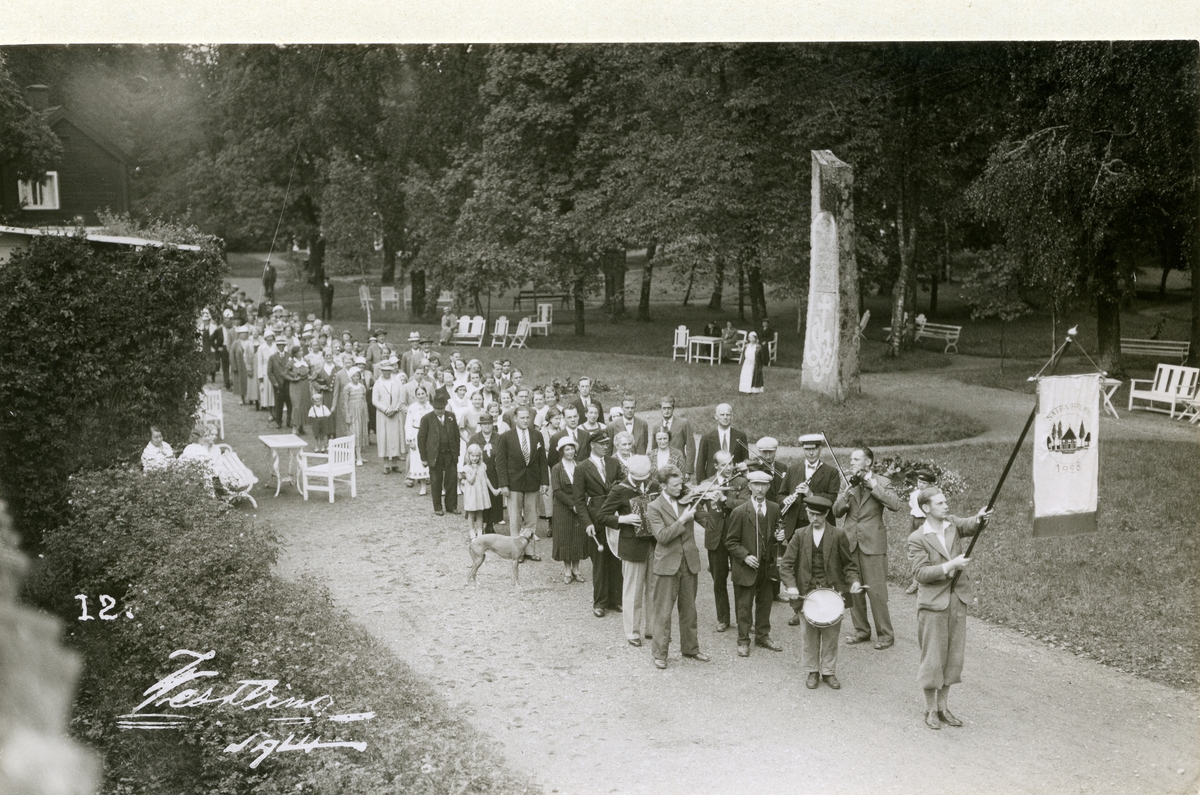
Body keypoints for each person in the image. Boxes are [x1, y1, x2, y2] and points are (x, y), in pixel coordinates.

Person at [907, 487, 992, 730]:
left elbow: (972, 525)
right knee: (933, 658)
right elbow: (920, 573)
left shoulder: (952, 524)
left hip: (957, 599)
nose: (946, 506)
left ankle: (944, 707)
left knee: (953, 657)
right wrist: (950, 565)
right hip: (933, 603)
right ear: (926, 508)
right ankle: (930, 709)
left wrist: (980, 517)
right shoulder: (917, 538)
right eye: (940, 503)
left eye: (946, 502)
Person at [780, 496, 863, 690]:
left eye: (818, 515)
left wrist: (855, 581)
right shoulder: (800, 535)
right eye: (810, 514)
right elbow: (786, 565)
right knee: (808, 635)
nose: (814, 518)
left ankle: (828, 672)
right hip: (806, 593)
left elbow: (849, 566)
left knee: (831, 635)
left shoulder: (839, 534)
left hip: (832, 593)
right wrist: (791, 586)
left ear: (826, 514)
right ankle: (812, 671)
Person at [833, 446, 904, 650]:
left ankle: (886, 634)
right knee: (854, 590)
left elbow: (895, 504)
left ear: (868, 462)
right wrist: (845, 497)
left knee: (877, 592)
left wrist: (873, 485)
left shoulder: (882, 482)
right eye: (851, 459)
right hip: (850, 542)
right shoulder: (850, 483)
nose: (852, 462)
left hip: (872, 543)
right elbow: (836, 512)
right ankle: (861, 631)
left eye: (856, 459)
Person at [645, 464, 712, 669]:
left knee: (689, 610)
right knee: (663, 612)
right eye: (675, 484)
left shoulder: (689, 499)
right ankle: (660, 654)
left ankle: (690, 649)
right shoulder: (654, 506)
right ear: (663, 485)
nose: (680, 487)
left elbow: (710, 524)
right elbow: (663, 536)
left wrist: (716, 506)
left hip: (689, 562)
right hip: (667, 564)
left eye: (681, 482)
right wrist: (683, 519)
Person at [598, 455, 660, 648]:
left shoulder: (654, 486)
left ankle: (652, 628)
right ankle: (632, 632)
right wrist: (623, 520)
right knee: (633, 590)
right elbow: (602, 516)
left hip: (654, 544)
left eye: (646, 477)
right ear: (631, 473)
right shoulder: (619, 490)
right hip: (632, 546)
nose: (644, 481)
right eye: (640, 477)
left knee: (654, 587)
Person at [781, 433, 843, 625]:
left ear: (819, 449)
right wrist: (786, 500)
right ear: (803, 450)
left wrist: (811, 494)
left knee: (818, 566)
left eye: (814, 449)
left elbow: (832, 499)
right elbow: (781, 494)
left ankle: (821, 606)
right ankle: (798, 609)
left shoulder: (831, 472)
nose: (810, 453)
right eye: (807, 449)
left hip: (820, 523)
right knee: (799, 567)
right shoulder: (793, 470)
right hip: (797, 525)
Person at [725, 469, 783, 657]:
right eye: (756, 485)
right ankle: (743, 640)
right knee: (744, 605)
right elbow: (731, 542)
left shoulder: (774, 508)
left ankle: (762, 635)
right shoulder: (740, 511)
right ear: (749, 486)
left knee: (765, 602)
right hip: (746, 567)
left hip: (766, 567)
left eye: (763, 485)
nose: (760, 489)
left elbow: (775, 536)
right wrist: (745, 556)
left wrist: (779, 537)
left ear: (768, 487)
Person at [699, 451, 748, 632]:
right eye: (724, 465)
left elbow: (745, 505)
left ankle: (742, 620)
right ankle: (723, 619)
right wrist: (707, 522)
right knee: (718, 580)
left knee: (739, 580)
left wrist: (725, 499)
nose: (729, 468)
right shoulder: (708, 483)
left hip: (736, 537)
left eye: (731, 463)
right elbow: (694, 505)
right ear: (716, 466)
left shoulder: (741, 482)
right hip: (715, 538)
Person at [576, 431, 623, 618]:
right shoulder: (582, 468)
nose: (606, 446)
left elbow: (621, 485)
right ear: (592, 445)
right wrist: (587, 523)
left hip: (614, 516)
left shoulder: (614, 463)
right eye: (602, 443)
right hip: (595, 519)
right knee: (599, 562)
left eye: (607, 443)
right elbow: (579, 500)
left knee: (615, 558)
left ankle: (616, 599)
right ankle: (600, 602)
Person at [494, 406, 548, 560]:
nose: (525, 420)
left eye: (527, 418)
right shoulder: (506, 437)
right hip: (513, 483)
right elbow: (501, 462)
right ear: (515, 419)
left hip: (532, 482)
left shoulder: (537, 435)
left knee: (531, 517)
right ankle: (517, 551)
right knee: (515, 518)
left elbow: (542, 460)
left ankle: (530, 550)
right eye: (522, 418)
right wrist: (503, 484)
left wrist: (545, 481)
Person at [550, 437, 590, 584]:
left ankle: (576, 570)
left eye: (572, 448)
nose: (570, 451)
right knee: (565, 537)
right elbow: (557, 490)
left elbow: (587, 486)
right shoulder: (556, 468)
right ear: (561, 451)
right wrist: (572, 505)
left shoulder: (580, 466)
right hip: (563, 508)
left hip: (579, 506)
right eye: (567, 449)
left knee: (578, 537)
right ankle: (567, 571)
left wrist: (580, 504)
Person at [418, 389, 461, 516]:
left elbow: (456, 436)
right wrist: (424, 458)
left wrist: (456, 454)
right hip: (434, 455)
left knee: (452, 480)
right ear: (433, 406)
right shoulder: (426, 419)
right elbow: (421, 439)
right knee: (436, 481)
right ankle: (437, 507)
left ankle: (451, 506)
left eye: (442, 407)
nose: (440, 410)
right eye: (437, 408)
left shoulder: (451, 417)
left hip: (450, 454)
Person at [467, 413, 504, 534]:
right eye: (484, 424)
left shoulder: (499, 438)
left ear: (493, 425)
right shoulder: (475, 439)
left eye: (489, 424)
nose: (487, 426)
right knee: (479, 497)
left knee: (493, 499)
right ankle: (478, 526)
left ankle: (490, 524)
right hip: (478, 474)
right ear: (480, 426)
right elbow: (468, 456)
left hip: (494, 472)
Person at [694, 403, 748, 479]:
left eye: (728, 415)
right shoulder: (706, 437)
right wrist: (702, 485)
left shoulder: (740, 436)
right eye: (722, 415)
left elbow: (745, 461)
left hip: (735, 480)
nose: (725, 417)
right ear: (716, 416)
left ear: (732, 416)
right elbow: (700, 464)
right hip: (712, 481)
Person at [906, 469, 938, 595]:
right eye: (919, 481)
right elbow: (913, 507)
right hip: (914, 520)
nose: (921, 485)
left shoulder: (932, 495)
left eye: (924, 483)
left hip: (926, 521)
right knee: (913, 548)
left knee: (927, 549)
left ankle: (925, 580)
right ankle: (916, 580)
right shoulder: (914, 494)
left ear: (930, 484)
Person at [373, 360, 406, 473]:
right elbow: (375, 401)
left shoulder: (397, 382)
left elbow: (402, 397)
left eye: (389, 371)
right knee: (384, 437)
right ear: (381, 370)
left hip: (395, 414)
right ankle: (386, 465)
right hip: (383, 415)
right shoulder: (378, 383)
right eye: (384, 370)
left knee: (395, 437)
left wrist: (395, 409)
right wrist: (386, 410)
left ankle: (395, 464)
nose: (387, 373)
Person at [652, 395, 695, 479]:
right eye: (664, 408)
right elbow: (654, 449)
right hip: (662, 466)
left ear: (673, 408)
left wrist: (688, 471)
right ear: (660, 409)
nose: (666, 411)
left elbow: (691, 447)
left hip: (679, 465)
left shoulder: (683, 423)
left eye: (669, 408)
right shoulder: (656, 426)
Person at [460, 443, 497, 539]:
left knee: (480, 514)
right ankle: (472, 532)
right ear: (468, 456)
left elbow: (486, 479)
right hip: (472, 494)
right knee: (471, 514)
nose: (475, 458)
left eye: (477, 456)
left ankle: (480, 532)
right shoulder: (466, 468)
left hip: (480, 493)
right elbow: (471, 481)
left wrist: (493, 489)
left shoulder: (483, 466)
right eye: (472, 456)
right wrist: (475, 470)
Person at [406, 386, 433, 493]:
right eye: (419, 394)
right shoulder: (412, 408)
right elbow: (408, 424)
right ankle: (423, 486)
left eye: (423, 394)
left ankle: (435, 485)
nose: (421, 396)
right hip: (417, 434)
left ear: (426, 394)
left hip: (430, 435)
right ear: (416, 396)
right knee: (419, 460)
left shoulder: (431, 407)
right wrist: (410, 439)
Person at [343, 367, 370, 467]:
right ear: (351, 377)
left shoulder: (362, 387)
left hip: (362, 411)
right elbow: (345, 402)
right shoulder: (347, 387)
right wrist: (347, 415)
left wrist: (366, 414)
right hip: (352, 411)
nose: (356, 377)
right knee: (355, 433)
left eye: (357, 376)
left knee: (361, 432)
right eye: (354, 376)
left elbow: (364, 401)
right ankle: (357, 457)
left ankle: (358, 455)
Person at [285, 346, 311, 436]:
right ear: (295, 353)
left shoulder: (306, 361)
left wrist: (310, 376)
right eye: (299, 351)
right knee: (297, 405)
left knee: (304, 404)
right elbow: (285, 374)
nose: (301, 352)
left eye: (301, 350)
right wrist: (293, 379)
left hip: (305, 385)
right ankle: (294, 427)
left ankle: (301, 427)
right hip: (295, 386)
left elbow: (311, 371)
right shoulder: (291, 362)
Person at [267, 336, 291, 429]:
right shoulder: (272, 357)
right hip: (278, 384)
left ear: (285, 346)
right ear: (277, 346)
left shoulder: (289, 356)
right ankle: (278, 422)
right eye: (279, 345)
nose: (281, 347)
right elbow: (270, 372)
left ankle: (289, 421)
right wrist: (275, 383)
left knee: (290, 403)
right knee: (278, 404)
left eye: (283, 345)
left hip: (288, 383)